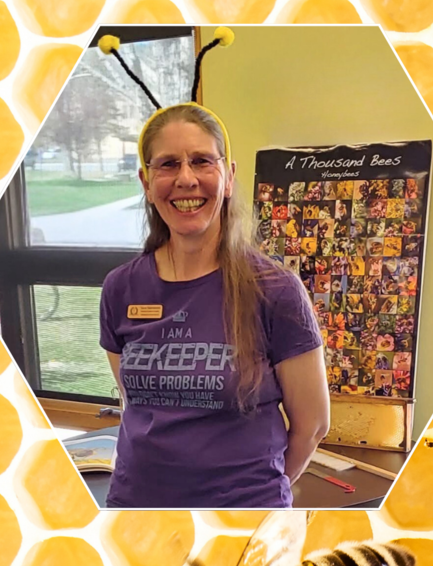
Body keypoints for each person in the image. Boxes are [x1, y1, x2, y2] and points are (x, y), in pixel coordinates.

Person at [97, 30, 328, 509]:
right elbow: (134, 404)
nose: (185, 178)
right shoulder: (120, 289)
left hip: (242, 518)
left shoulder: (274, 289)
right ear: (146, 181)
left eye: (202, 161)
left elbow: (312, 425)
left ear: (227, 177)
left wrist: (258, 494)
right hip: (136, 508)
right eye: (167, 164)